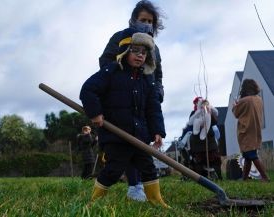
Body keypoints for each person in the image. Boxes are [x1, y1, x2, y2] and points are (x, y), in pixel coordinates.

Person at [80, 29, 169, 208]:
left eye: (144, 52)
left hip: (139, 136)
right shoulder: (111, 71)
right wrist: (95, 113)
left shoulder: (146, 79)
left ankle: (156, 201)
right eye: (135, 51)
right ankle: (94, 202)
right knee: (113, 170)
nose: (140, 56)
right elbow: (88, 90)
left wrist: (158, 130)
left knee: (148, 169)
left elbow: (153, 107)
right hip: (116, 136)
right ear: (125, 51)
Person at [99, 0, 165, 201]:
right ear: (134, 19)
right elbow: (105, 61)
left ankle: (143, 186)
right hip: (122, 97)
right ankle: (134, 186)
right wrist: (120, 76)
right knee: (126, 140)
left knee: (141, 142)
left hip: (145, 97)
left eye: (150, 21)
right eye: (142, 19)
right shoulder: (120, 38)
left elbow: (158, 73)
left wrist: (158, 89)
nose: (146, 23)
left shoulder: (154, 48)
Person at [232, 79, 270, 182]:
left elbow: (236, 113)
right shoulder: (258, 99)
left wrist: (235, 105)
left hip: (246, 130)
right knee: (248, 156)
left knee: (251, 155)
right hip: (256, 129)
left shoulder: (245, 100)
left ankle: (265, 177)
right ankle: (244, 178)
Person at [188, 97, 222, 180]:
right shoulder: (194, 113)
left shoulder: (209, 111)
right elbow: (191, 124)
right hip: (198, 142)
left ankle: (218, 176)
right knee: (200, 161)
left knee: (214, 160)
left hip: (210, 141)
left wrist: (209, 113)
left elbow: (214, 122)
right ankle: (201, 178)